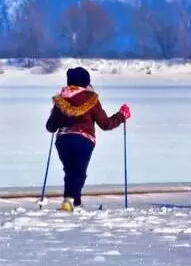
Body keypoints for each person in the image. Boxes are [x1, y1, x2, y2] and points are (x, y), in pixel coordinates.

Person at [46, 67, 131, 212]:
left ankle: (74, 202)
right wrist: (121, 116)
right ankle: (70, 200)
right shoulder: (91, 100)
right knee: (79, 172)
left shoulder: (61, 100)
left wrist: (60, 116)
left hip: (63, 140)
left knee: (71, 172)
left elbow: (50, 127)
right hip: (83, 140)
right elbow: (105, 124)